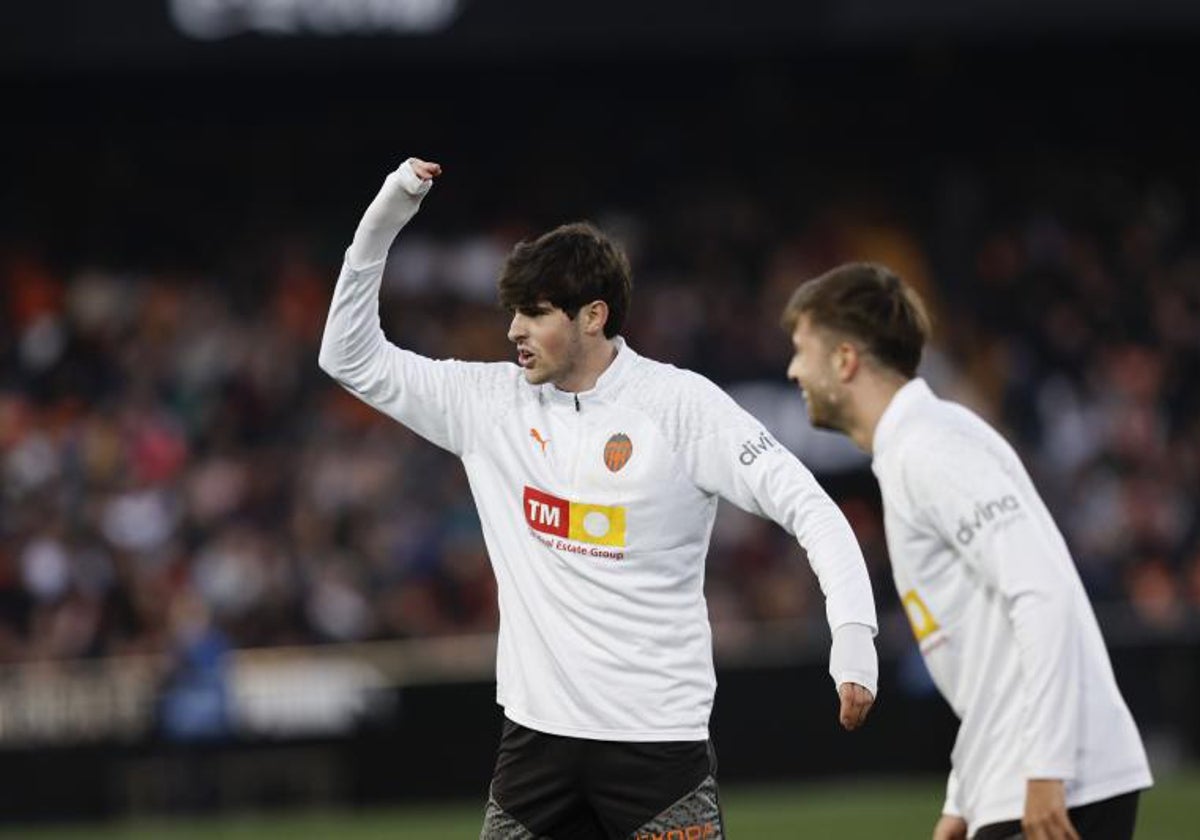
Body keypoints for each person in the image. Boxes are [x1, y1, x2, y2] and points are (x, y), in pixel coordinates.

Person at [319, 157, 880, 839]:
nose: (513, 331)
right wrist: (388, 212)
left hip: (658, 751)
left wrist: (853, 639)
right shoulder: (487, 404)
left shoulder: (681, 408)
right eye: (512, 313)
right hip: (535, 748)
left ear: (593, 315)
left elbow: (810, 508)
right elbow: (347, 356)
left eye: (535, 313)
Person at [780, 262, 1153, 840]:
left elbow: (1041, 591)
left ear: (845, 360)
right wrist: (966, 793)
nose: (792, 369)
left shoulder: (930, 448)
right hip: (1015, 780)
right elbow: (987, 659)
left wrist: (1048, 767)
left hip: (1055, 781)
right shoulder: (922, 444)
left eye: (802, 349)